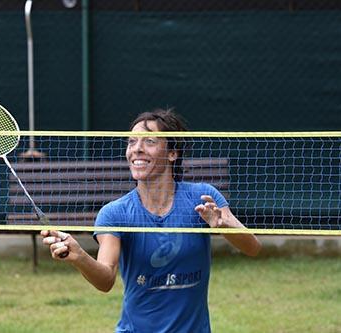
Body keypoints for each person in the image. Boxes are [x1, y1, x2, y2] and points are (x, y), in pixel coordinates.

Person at [41, 108, 261, 333]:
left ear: (172, 152)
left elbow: (253, 247)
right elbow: (106, 279)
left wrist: (225, 226)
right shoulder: (115, 213)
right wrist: (79, 257)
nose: (137, 149)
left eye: (149, 141)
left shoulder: (203, 197)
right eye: (132, 142)